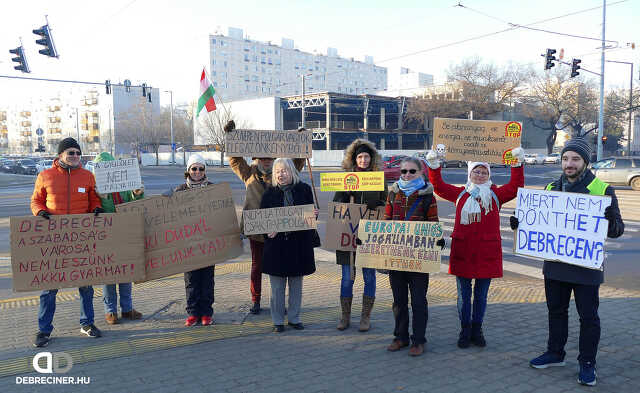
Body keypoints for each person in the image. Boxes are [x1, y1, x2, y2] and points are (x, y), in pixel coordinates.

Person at [522, 138, 624, 386]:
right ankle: (555, 353)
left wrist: (611, 220)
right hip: (556, 265)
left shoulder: (603, 190)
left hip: (586, 267)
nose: (569, 164)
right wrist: (522, 223)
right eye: (566, 158)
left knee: (588, 317)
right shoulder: (550, 189)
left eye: (575, 159)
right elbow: (540, 223)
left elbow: (617, 230)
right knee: (556, 312)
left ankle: (587, 363)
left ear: (585, 163)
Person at [426, 146, 524, 349]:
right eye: (476, 171)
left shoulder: (496, 194)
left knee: (481, 295)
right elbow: (438, 186)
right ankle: (465, 329)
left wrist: (517, 163)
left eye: (484, 172)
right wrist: (434, 166)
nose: (480, 175)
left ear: (489, 174)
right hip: (463, 251)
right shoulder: (460, 193)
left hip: (487, 253)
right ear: (469, 173)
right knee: (463, 294)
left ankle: (477, 329)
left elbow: (515, 186)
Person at [31, 137, 105, 347]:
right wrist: (41, 211)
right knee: (49, 289)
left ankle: (87, 323)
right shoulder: (46, 176)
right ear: (60, 155)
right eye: (70, 152)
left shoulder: (87, 176)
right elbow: (35, 200)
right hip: (55, 240)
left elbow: (93, 198)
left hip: (81, 239)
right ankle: (44, 330)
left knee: (86, 286)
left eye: (77, 153)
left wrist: (96, 207)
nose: (74, 156)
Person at [225, 121, 305, 315]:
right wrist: (231, 136)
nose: (266, 161)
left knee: (281, 267)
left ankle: (280, 303)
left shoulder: (282, 173)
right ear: (257, 158)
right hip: (257, 229)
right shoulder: (248, 173)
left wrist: (301, 141)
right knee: (257, 266)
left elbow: (298, 163)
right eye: (262, 158)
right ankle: (256, 300)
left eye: (269, 158)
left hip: (279, 226)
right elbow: (235, 160)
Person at [383, 157, 443, 357]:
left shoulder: (428, 197)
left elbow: (433, 223)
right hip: (397, 256)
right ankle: (400, 337)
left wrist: (438, 240)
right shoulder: (393, 194)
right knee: (399, 301)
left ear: (420, 173)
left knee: (418, 301)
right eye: (404, 171)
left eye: (411, 171)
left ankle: (418, 340)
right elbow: (385, 222)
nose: (407, 175)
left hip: (419, 259)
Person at [333, 139, 387, 332]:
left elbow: (385, 203)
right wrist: (345, 197)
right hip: (348, 234)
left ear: (371, 159)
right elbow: (336, 205)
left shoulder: (378, 178)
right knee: (347, 278)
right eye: (360, 156)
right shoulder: (347, 177)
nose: (364, 160)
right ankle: (345, 316)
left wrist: (378, 206)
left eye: (367, 156)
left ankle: (365, 317)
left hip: (370, 236)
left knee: (369, 277)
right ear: (354, 159)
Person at [260, 158, 317, 333]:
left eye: (284, 171)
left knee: (296, 286)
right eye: (277, 171)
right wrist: (268, 231)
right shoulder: (268, 194)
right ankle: (277, 321)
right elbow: (262, 221)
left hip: (298, 246)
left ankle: (294, 318)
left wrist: (313, 214)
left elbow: (309, 217)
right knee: (276, 288)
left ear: (292, 172)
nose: (280, 174)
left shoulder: (304, 190)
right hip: (276, 248)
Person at [92, 152, 145, 325]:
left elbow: (133, 204)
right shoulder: (95, 188)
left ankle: (127, 308)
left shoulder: (124, 184)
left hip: (124, 234)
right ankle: (110, 311)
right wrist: (104, 199)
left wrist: (137, 194)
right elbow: (104, 214)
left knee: (125, 272)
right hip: (105, 238)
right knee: (109, 276)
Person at [166, 154, 217, 327]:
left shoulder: (213, 189)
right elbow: (168, 214)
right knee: (191, 281)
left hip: (208, 242)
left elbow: (221, 214)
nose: (197, 172)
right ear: (187, 171)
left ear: (205, 171)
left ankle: (206, 313)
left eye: (200, 168)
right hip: (188, 244)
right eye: (193, 168)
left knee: (207, 280)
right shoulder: (179, 191)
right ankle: (193, 312)